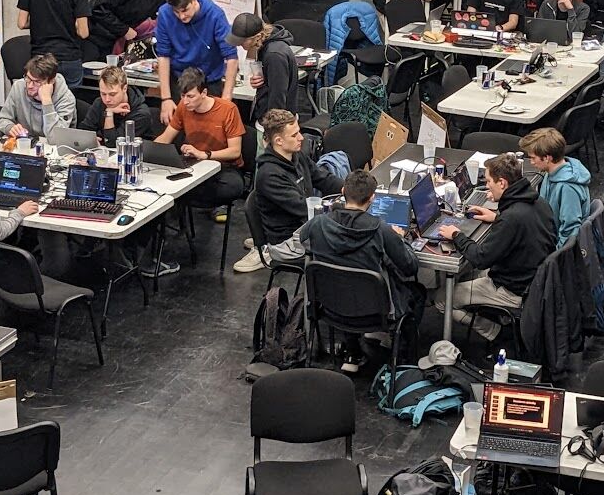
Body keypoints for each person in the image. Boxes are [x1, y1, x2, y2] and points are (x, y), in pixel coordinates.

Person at [299, 168, 424, 372]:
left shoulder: (319, 223)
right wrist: (400, 239)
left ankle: (353, 352)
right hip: (374, 313)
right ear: (372, 198)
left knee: (345, 280)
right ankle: (402, 363)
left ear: (342, 191)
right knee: (418, 293)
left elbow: (303, 237)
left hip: (330, 306)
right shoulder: (380, 229)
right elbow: (410, 267)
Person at [436, 154, 556, 340]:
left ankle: (493, 331)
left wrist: (456, 235)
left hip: (513, 290)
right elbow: (522, 225)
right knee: (464, 277)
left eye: (488, 181)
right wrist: (497, 218)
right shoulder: (539, 202)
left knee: (442, 299)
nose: (487, 186)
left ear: (502, 183)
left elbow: (480, 258)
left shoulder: (511, 219)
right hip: (533, 279)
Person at [235, 108, 342, 273]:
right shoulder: (269, 175)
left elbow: (322, 178)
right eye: (294, 135)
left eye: (299, 132)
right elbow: (302, 208)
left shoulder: (296, 156)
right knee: (346, 246)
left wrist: (347, 189)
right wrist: (342, 208)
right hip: (286, 241)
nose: (301, 138)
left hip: (305, 226)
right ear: (278, 140)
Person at [154, 67, 247, 210]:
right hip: (195, 164)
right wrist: (146, 152)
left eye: (190, 96)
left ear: (204, 93)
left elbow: (235, 151)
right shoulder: (183, 107)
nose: (185, 101)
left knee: (232, 187)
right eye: (183, 96)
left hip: (223, 166)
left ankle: (185, 201)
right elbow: (166, 137)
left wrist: (205, 154)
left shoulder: (228, 109)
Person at [155, 0, 237, 127]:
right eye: (176, 12)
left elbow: (231, 57)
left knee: (211, 129)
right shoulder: (164, 13)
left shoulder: (215, 15)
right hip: (179, 80)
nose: (182, 16)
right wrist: (166, 99)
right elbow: (163, 55)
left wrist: (226, 99)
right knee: (178, 130)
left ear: (193, 0)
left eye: (185, 10)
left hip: (209, 80)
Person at [224, 12, 299, 126]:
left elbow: (278, 98)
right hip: (270, 117)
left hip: (276, 123)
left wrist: (272, 128)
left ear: (258, 37)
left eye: (242, 41)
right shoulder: (267, 46)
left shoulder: (274, 55)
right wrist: (263, 79)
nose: (239, 45)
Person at [519, 127, 590, 248]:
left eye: (533, 158)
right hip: (546, 233)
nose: (531, 162)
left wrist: (554, 257)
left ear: (547, 158)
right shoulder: (551, 172)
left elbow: (570, 231)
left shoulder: (567, 187)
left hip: (555, 246)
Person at [0, 53, 77, 139]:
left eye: (37, 82)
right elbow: (2, 120)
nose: (30, 86)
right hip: (26, 143)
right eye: (28, 78)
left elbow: (56, 138)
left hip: (53, 146)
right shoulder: (18, 87)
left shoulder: (66, 99)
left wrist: (47, 102)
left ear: (51, 81)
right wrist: (9, 127)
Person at [79, 65, 154, 147]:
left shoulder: (141, 114)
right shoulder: (99, 102)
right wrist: (90, 139)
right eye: (103, 94)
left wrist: (109, 113)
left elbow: (113, 144)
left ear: (124, 88)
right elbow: (83, 131)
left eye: (112, 94)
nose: (107, 99)